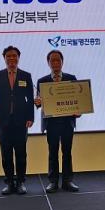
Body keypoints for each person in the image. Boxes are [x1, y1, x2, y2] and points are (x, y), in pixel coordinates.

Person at [0, 46, 34, 195]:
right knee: (6, 154)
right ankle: (9, 182)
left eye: (14, 56)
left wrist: (30, 117)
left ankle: (20, 182)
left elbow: (30, 98)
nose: (11, 58)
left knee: (21, 153)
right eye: (8, 56)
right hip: (3, 121)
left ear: (18, 58)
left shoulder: (26, 76)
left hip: (21, 121)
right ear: (4, 58)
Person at [35, 50, 80, 193]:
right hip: (51, 123)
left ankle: (67, 181)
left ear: (62, 62)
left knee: (67, 152)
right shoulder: (42, 81)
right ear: (48, 63)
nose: (55, 63)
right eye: (52, 60)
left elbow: (77, 101)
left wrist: (78, 111)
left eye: (58, 60)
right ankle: (53, 182)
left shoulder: (71, 78)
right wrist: (37, 102)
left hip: (67, 122)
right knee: (52, 152)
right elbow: (38, 103)